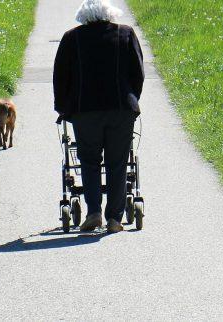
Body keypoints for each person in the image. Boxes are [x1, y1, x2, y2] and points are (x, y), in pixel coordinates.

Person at [53, 0, 144, 233]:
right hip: (121, 109)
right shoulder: (125, 33)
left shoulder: (71, 38)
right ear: (110, 13)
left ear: (83, 16)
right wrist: (132, 98)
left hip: (85, 111)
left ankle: (93, 212)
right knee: (118, 162)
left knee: (90, 161)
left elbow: (61, 77)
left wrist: (63, 108)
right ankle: (114, 218)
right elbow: (138, 73)